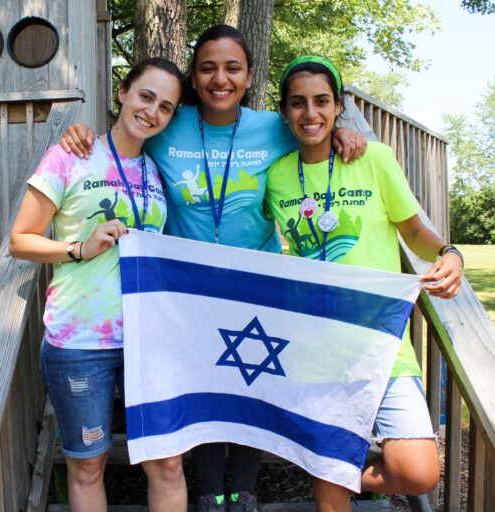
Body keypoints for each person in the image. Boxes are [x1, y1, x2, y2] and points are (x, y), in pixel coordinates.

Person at [60, 25, 368, 512]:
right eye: (207, 67)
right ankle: (207, 491)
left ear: (248, 77)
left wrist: (345, 132)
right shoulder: (170, 121)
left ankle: (243, 488)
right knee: (199, 387)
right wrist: (78, 131)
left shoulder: (274, 126)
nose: (219, 78)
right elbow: (121, 137)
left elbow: (317, 129)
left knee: (252, 380)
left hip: (257, 284)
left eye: (232, 68)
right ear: (194, 76)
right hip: (187, 291)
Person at [264, 56, 463, 512]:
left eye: (321, 101)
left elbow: (412, 229)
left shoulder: (373, 157)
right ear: (284, 113)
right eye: (298, 103)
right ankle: (327, 465)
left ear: (338, 108)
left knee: (418, 472)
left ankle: (328, 463)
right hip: (314, 348)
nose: (310, 113)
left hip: (380, 341)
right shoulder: (276, 176)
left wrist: (449, 253)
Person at [9, 57, 186, 512]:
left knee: (167, 464)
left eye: (165, 106)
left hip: (149, 340)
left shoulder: (158, 170)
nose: (152, 111)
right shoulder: (71, 154)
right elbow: (20, 241)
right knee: (88, 465)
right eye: (146, 96)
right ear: (122, 93)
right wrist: (79, 248)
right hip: (81, 340)